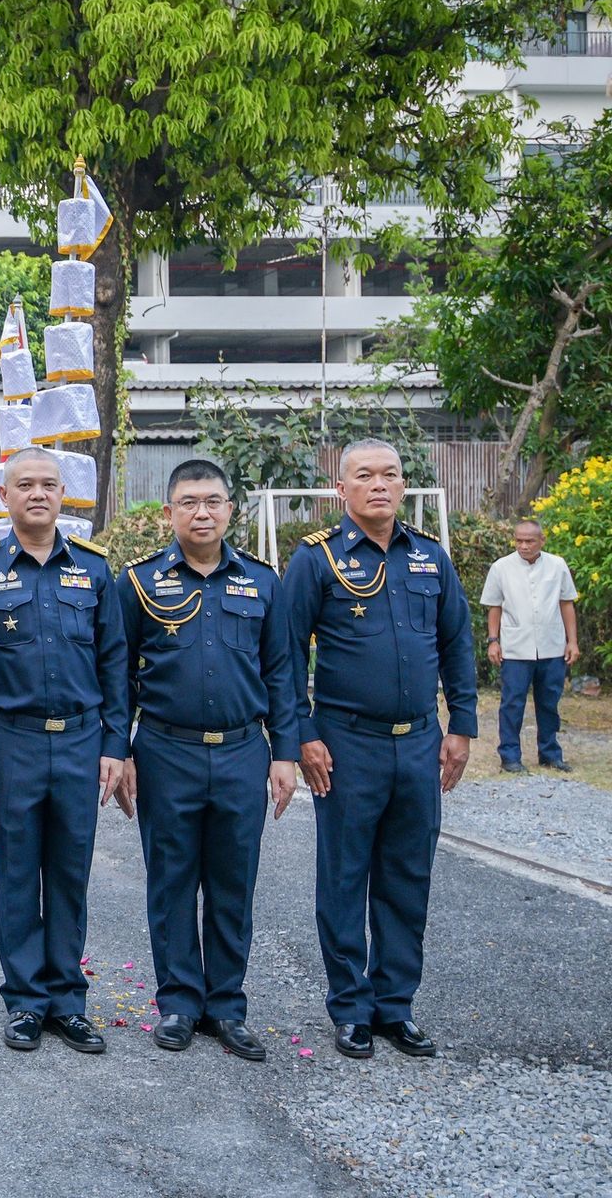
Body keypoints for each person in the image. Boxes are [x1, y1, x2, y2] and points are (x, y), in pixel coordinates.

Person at [283, 438, 475, 1060]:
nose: (379, 485)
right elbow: (287, 654)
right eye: (364, 476)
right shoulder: (316, 560)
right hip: (346, 743)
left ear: (403, 484)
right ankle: (351, 1008)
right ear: (342, 489)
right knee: (345, 876)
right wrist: (302, 734)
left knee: (407, 875)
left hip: (418, 741)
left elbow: (457, 642)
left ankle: (396, 1005)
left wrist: (461, 725)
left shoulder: (430, 557)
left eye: (389, 474)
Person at [113, 460, 300, 1061]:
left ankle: (226, 1006)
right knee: (171, 879)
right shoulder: (139, 582)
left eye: (213, 502)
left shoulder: (263, 581)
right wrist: (120, 750)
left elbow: (282, 671)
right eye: (189, 502)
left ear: (230, 510)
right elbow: (117, 675)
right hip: (166, 752)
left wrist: (285, 753)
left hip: (244, 751)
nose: (202, 513)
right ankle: (178, 1003)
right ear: (169, 512)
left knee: (232, 882)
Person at [0, 448, 129, 1055]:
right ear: (4, 497)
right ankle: (26, 1002)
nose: (37, 494)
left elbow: (115, 662)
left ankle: (68, 1002)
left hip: (81, 741)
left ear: (62, 494)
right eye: (24, 485)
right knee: (18, 874)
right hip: (13, 742)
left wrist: (115, 743)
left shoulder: (93, 569)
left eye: (48, 485)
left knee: (69, 873)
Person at [480, 519, 579, 774]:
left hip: (552, 646)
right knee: (512, 704)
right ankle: (510, 756)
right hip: (515, 648)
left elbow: (566, 603)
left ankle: (550, 754)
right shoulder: (501, 567)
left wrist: (572, 641)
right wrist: (493, 641)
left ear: (542, 541)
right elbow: (494, 606)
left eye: (529, 541)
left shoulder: (557, 565)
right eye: (519, 541)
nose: (523, 546)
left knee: (549, 703)